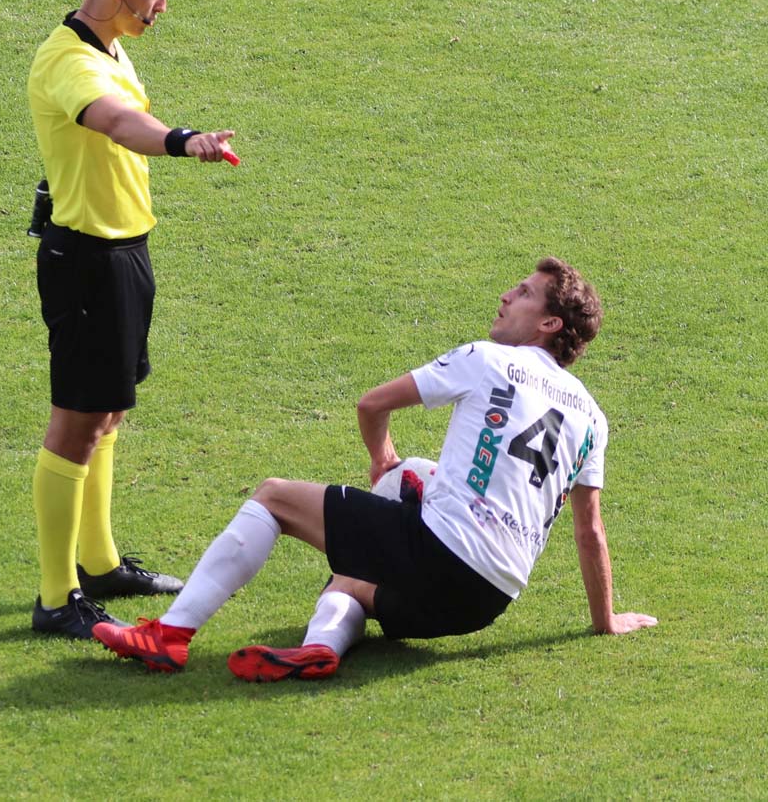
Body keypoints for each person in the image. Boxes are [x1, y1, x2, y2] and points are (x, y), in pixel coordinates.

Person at [92, 257, 657, 678]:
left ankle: (170, 634)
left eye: (526, 293)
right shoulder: (592, 417)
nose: (507, 296)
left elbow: (372, 405)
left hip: (440, 551)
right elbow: (590, 531)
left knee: (273, 496)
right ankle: (323, 648)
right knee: (357, 573)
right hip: (484, 602)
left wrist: (380, 458)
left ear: (549, 325)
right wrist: (605, 620)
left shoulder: (489, 359)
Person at [27, 0, 237, 638]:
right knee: (75, 425)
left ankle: (99, 561)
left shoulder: (108, 46)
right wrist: (184, 140)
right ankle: (58, 598)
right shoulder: (69, 62)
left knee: (109, 412)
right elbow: (117, 122)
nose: (161, 7)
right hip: (86, 260)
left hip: (122, 253)